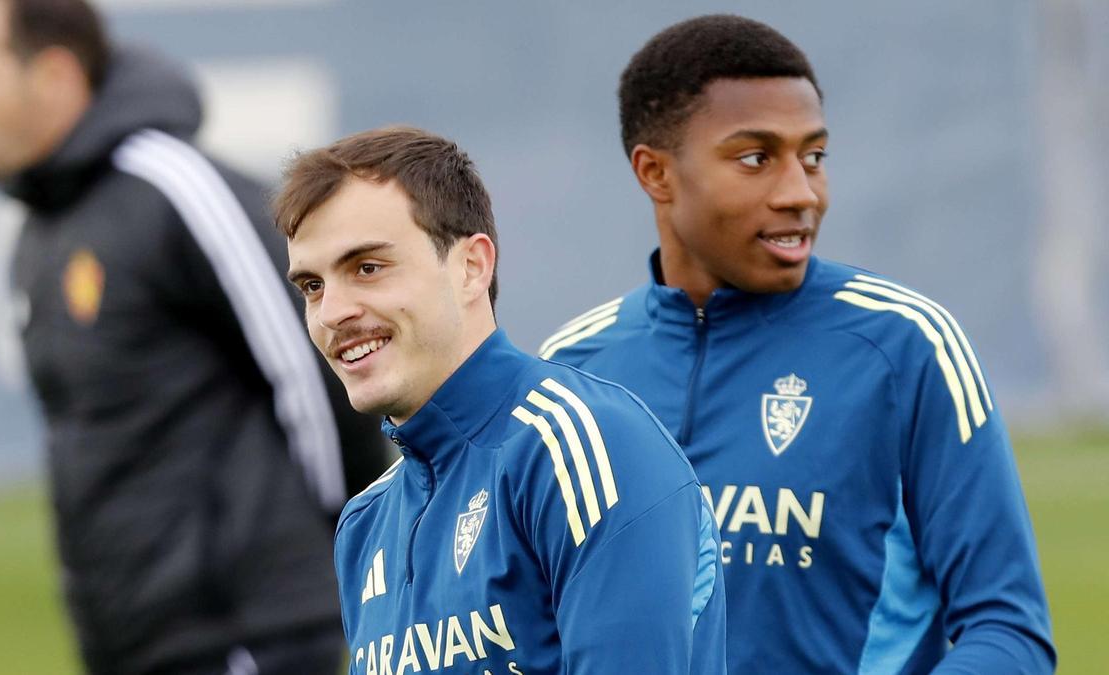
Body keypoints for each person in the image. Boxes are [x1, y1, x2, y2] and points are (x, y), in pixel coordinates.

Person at [542, 14, 1056, 674]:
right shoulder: (571, 375)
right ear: (656, 173)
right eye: (756, 158)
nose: (800, 192)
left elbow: (1008, 630)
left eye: (813, 157)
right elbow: (531, 631)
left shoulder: (905, 347)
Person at [0, 1, 389, 673]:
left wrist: (351, 542)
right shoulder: (43, 229)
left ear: (55, 75)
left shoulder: (173, 187)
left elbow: (315, 367)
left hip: (246, 635)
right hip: (137, 647)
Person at [274, 126, 727, 674]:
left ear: (471, 267)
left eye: (367, 268)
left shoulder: (585, 447)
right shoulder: (365, 522)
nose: (331, 313)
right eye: (312, 287)